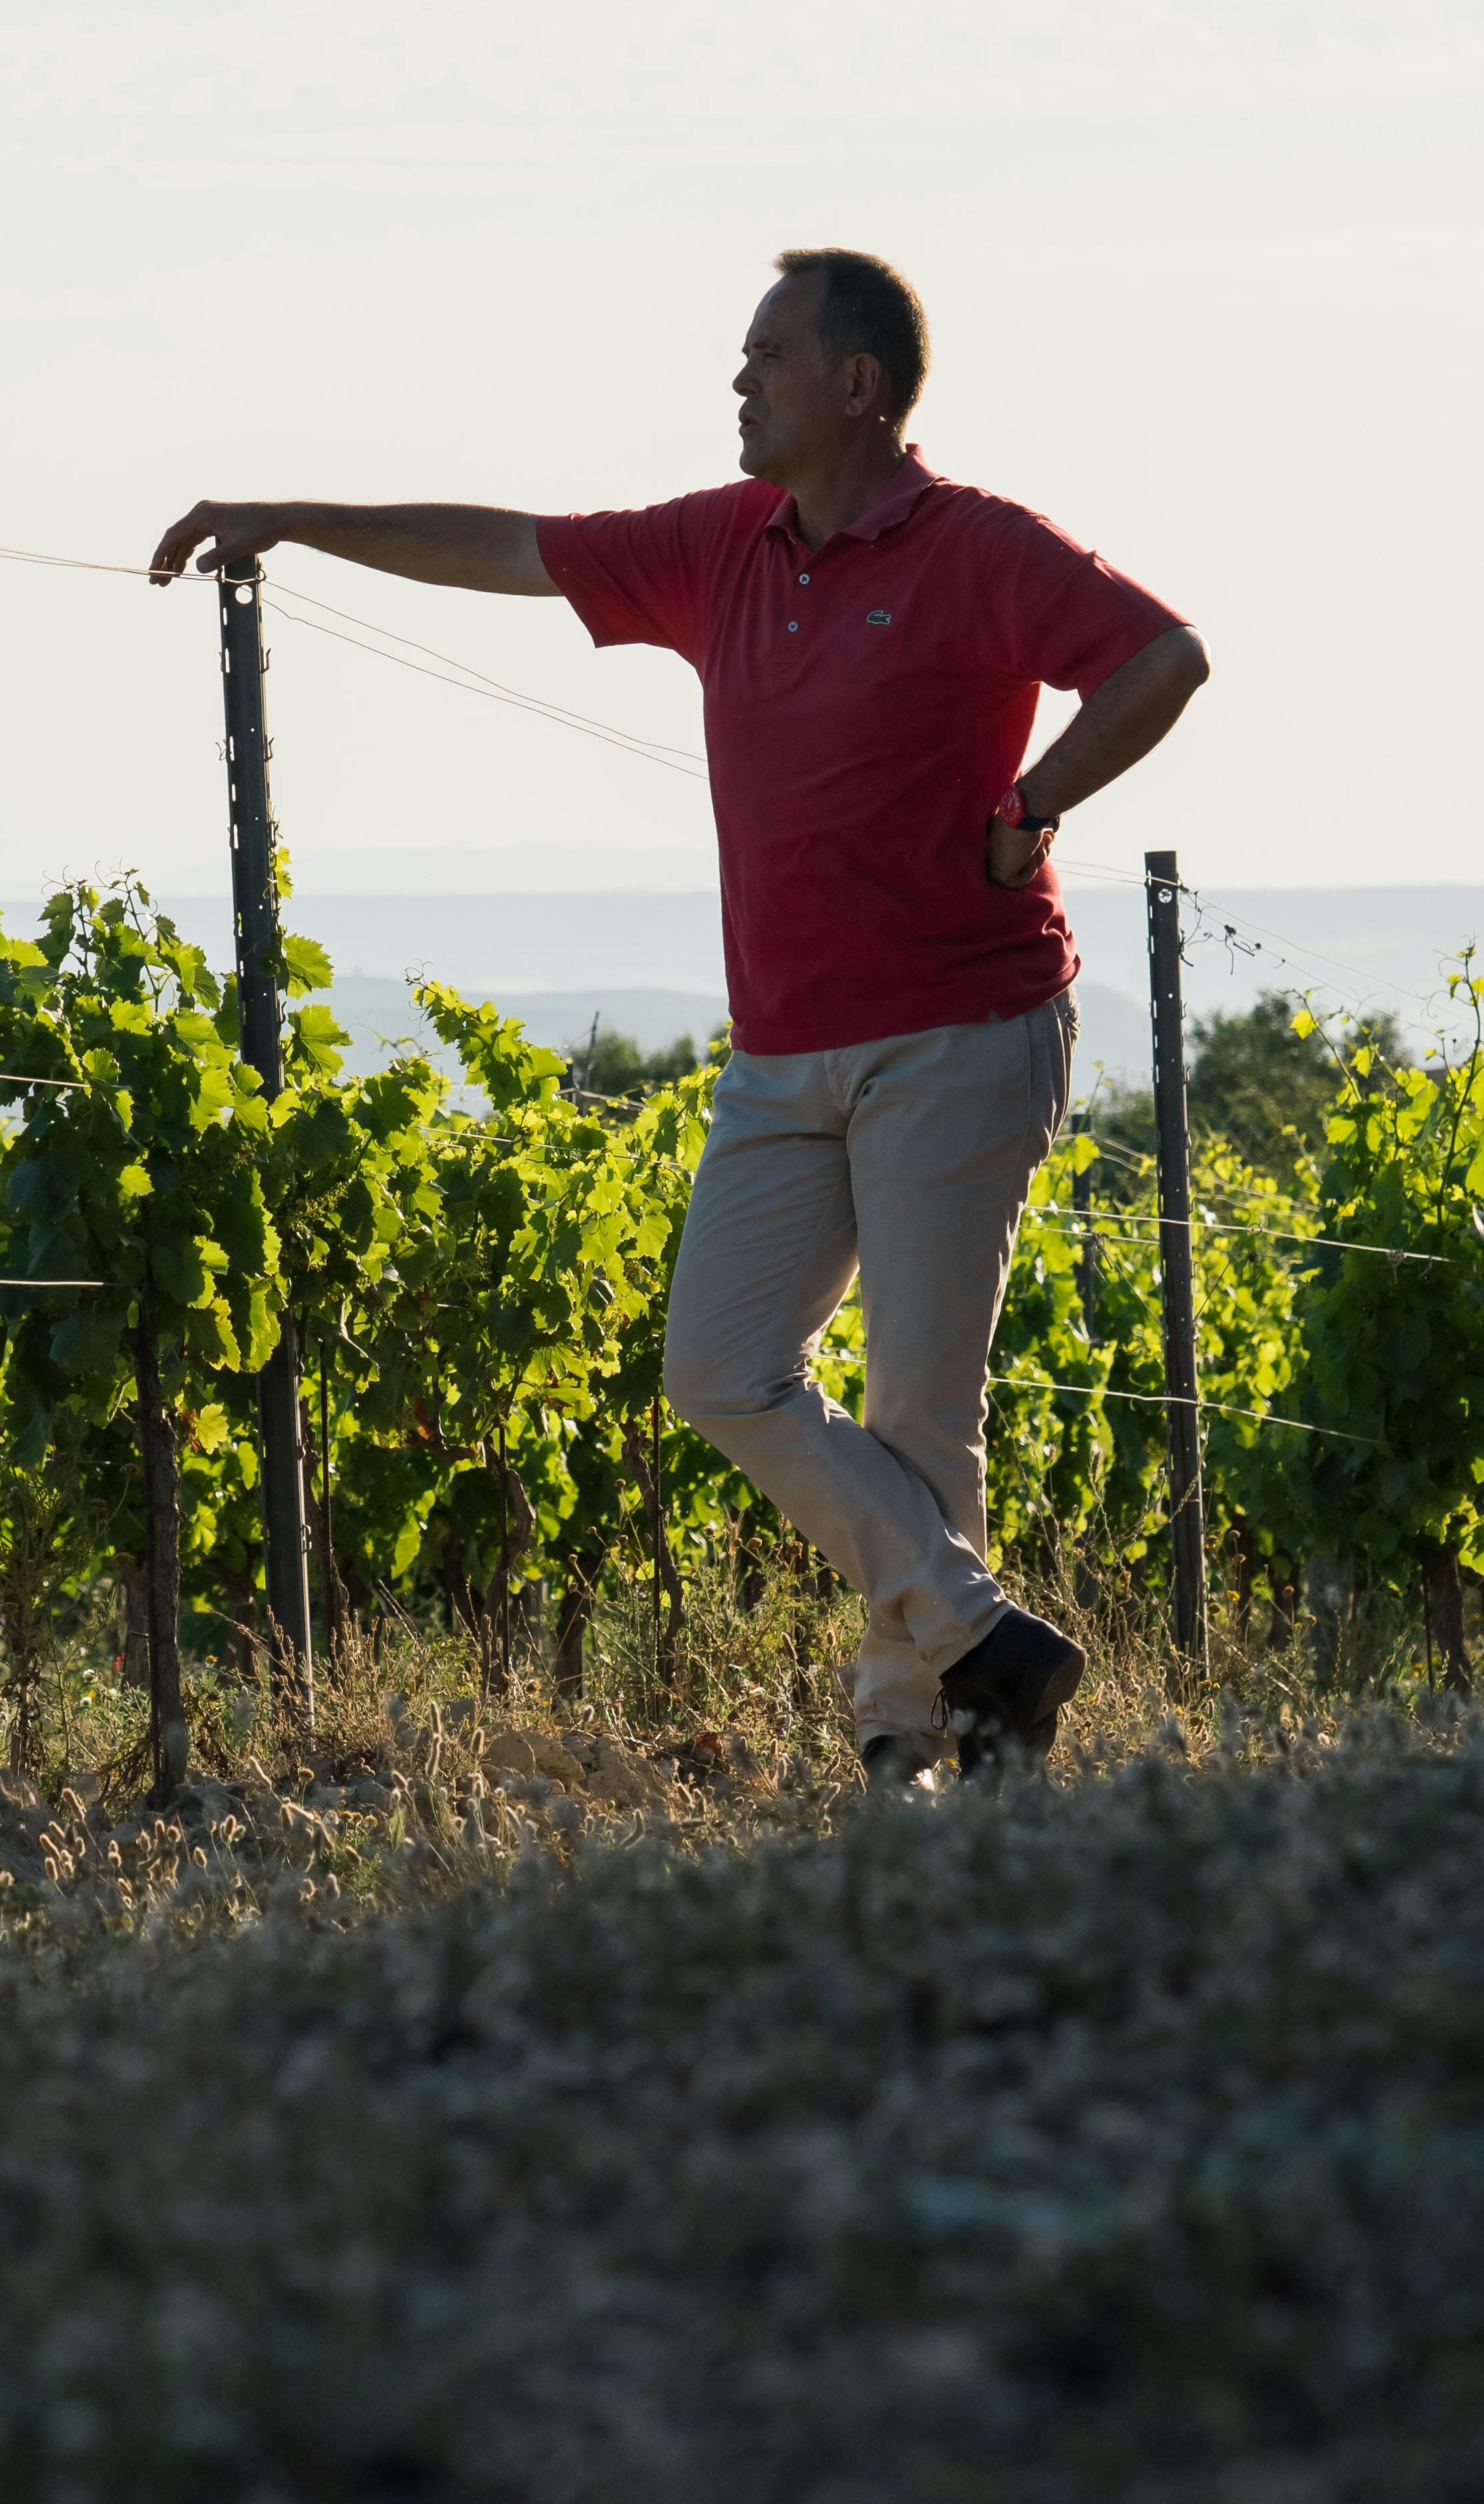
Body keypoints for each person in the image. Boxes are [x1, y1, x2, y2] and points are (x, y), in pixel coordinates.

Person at [150, 247, 1207, 1791]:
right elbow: (507, 546)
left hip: (959, 1030)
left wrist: (1033, 803)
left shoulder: (977, 549)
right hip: (781, 1053)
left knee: (920, 1407)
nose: (738, 381)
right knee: (719, 1370)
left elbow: (1161, 656)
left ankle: (914, 1749)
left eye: (766, 358)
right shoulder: (721, 547)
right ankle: (987, 1645)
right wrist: (296, 519)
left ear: (856, 385)